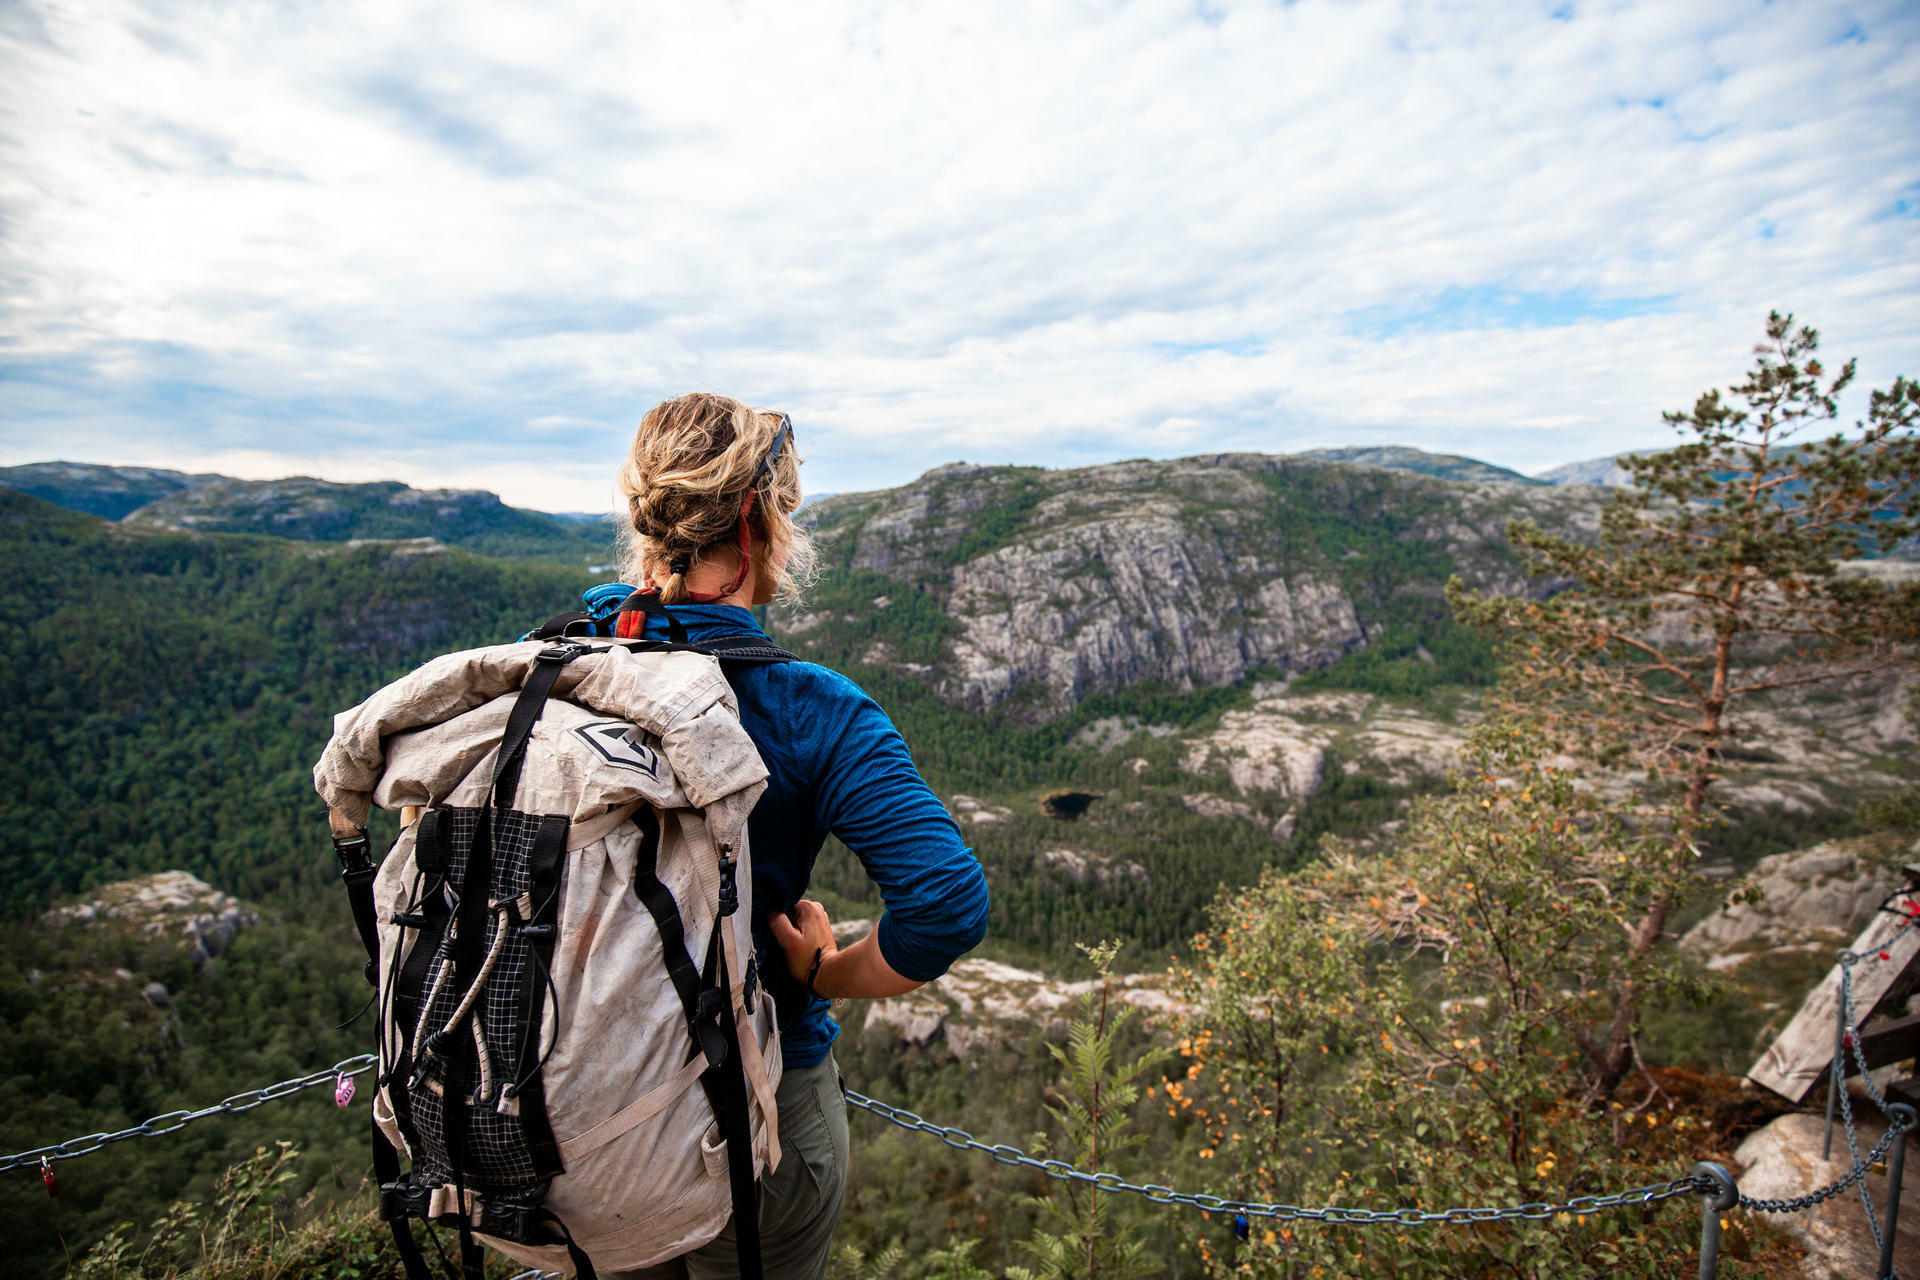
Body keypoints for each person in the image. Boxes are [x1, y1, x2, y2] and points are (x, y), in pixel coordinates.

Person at [599, 392, 990, 1280]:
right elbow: (947, 905)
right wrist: (822, 972)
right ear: (759, 523)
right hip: (757, 1123)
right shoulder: (808, 707)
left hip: (587, 1117)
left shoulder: (557, 669)